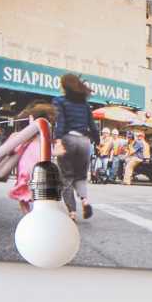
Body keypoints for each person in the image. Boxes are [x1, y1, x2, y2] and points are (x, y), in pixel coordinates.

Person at [49, 73, 100, 221]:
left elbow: (60, 123)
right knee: (81, 177)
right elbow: (92, 126)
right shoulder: (84, 104)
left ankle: (72, 212)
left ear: (64, 86)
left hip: (68, 140)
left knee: (66, 178)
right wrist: (97, 141)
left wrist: (58, 140)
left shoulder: (60, 101)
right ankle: (85, 200)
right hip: (84, 142)